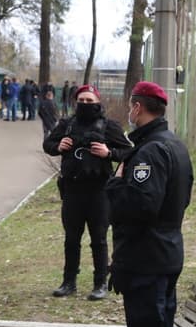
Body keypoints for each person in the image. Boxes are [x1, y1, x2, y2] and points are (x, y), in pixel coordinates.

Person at [105, 81, 193, 327]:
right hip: (165, 252)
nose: (129, 112)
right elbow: (183, 198)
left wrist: (115, 185)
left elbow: (142, 206)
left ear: (138, 107)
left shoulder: (150, 151)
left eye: (131, 106)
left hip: (146, 259)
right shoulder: (175, 145)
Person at [42, 84, 132, 301]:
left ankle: (100, 283)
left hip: (99, 191)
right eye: (81, 101)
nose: (85, 104)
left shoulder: (108, 126)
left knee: (99, 239)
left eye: (89, 101)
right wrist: (58, 146)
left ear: (98, 102)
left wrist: (109, 152)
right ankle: (68, 282)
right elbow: (48, 144)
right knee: (71, 239)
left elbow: (129, 152)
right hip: (72, 190)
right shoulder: (67, 124)